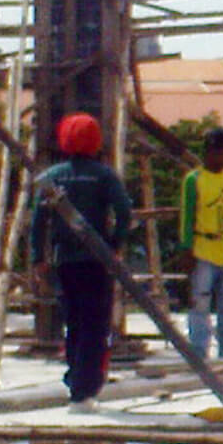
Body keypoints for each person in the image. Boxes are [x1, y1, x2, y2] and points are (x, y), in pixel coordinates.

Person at [30, 112, 132, 412]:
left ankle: (75, 380)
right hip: (96, 261)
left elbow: (38, 222)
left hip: (65, 261)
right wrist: (114, 245)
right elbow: (124, 212)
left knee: (73, 323)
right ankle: (84, 390)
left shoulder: (53, 176)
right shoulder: (104, 175)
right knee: (95, 325)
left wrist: (39, 257)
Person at [179, 127, 223, 358]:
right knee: (200, 304)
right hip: (203, 250)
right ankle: (199, 352)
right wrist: (186, 247)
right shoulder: (195, 180)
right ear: (212, 152)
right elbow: (187, 215)